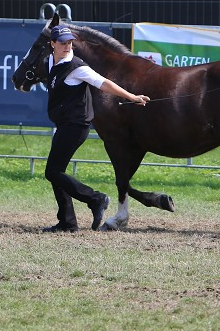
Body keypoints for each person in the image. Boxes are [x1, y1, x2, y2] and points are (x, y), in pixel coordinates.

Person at [43, 24, 150, 232]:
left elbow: (104, 83)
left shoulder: (78, 67)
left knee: (53, 171)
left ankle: (96, 199)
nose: (67, 46)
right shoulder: (50, 61)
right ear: (52, 44)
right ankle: (68, 222)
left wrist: (132, 97)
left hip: (76, 126)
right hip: (64, 123)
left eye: (70, 43)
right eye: (63, 43)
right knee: (58, 172)